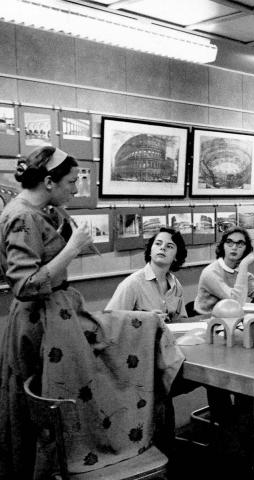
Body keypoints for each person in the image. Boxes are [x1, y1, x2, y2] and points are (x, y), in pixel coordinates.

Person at [0, 147, 183, 478]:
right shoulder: (22, 216)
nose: (76, 189)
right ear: (49, 181)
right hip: (39, 324)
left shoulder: (39, 210)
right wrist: (72, 248)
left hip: (54, 318)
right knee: (44, 407)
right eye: (71, 182)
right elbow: (25, 286)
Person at [107, 227, 188, 322]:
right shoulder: (133, 283)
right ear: (150, 251)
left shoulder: (175, 285)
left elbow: (181, 320)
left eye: (169, 246)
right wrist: (144, 319)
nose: (162, 248)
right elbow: (110, 321)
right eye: (158, 243)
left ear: (176, 256)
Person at [194, 226, 254, 314]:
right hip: (207, 320)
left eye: (240, 243)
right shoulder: (211, 272)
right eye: (229, 242)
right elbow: (236, 302)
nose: (234, 247)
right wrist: (244, 264)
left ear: (246, 249)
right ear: (223, 246)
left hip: (230, 318)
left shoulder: (241, 272)